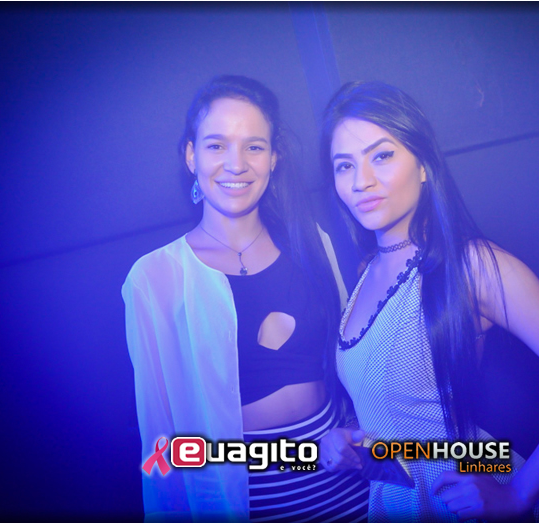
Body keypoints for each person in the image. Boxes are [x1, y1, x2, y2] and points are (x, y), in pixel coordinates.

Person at [317, 81, 539, 522]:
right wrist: (348, 438)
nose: (361, 181)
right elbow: (399, 410)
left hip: (461, 495)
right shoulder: (366, 272)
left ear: (423, 164)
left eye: (381, 156)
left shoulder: (471, 264)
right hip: (397, 498)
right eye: (344, 165)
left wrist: (520, 491)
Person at [122, 75, 368, 522]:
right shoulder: (155, 278)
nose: (236, 164)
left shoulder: (311, 242)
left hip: (347, 481)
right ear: (191, 155)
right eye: (217, 145)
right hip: (250, 497)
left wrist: (354, 432)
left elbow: (353, 362)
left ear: (273, 158)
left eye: (254, 146)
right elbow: (159, 426)